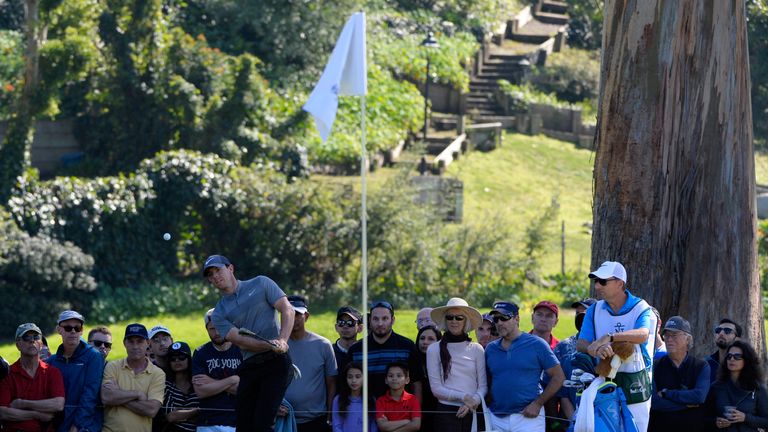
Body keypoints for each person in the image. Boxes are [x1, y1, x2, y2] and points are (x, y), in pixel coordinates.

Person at [205, 254, 294, 432]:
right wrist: (270, 344)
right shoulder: (218, 314)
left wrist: (283, 340)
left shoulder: (261, 283)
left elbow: (287, 309)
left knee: (262, 424)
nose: (215, 276)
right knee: (244, 425)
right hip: (250, 366)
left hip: (276, 364)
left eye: (218, 270)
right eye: (210, 274)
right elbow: (241, 341)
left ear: (230, 268)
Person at [577, 260, 654, 432]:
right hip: (603, 382)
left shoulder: (641, 307)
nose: (597, 286)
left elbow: (642, 334)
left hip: (635, 384)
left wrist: (610, 337)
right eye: (595, 281)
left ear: (620, 283)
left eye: (603, 281)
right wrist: (594, 348)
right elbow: (581, 343)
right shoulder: (594, 310)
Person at [486, 301, 564, 431]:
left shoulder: (537, 344)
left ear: (517, 318)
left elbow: (558, 377)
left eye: (504, 317)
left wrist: (538, 403)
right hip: (495, 417)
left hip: (528, 418)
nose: (499, 322)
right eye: (496, 318)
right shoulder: (491, 349)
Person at [427, 297, 487, 431]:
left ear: (465, 320)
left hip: (472, 410)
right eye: (450, 317)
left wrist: (471, 403)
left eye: (459, 318)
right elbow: (436, 388)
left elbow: (483, 386)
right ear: (445, 320)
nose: (454, 321)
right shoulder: (434, 349)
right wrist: (464, 397)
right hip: (445, 413)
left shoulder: (477, 349)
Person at [346, 301, 423, 401]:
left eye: (385, 318)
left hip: (400, 411)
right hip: (366, 411)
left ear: (393, 320)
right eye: (375, 319)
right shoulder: (356, 350)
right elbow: (347, 385)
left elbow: (416, 383)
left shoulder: (407, 347)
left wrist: (416, 413)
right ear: (370, 320)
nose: (380, 323)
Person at [282, 295, 337, 431]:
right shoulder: (277, 344)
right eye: (290, 313)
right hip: (284, 419)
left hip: (316, 421)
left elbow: (331, 383)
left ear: (306, 316)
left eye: (298, 314)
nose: (293, 319)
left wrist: (329, 416)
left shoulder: (323, 345)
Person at [47, 310, 105, 432]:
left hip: (85, 426)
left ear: (82, 330)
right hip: (58, 424)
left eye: (77, 327)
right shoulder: (51, 361)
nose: (73, 331)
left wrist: (78, 425)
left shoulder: (94, 356)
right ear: (59, 330)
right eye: (68, 328)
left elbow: (90, 393)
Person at [0, 323, 65, 432]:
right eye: (26, 338)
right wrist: (37, 414)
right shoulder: (8, 373)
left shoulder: (52, 372)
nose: (32, 341)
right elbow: (2, 412)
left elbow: (58, 404)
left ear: (41, 343)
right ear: (17, 344)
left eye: (36, 337)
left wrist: (22, 403)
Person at [649, 316, 710, 431]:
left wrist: (668, 394)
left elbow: (699, 397)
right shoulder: (655, 366)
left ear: (688, 339)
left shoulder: (701, 366)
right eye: (666, 335)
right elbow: (655, 403)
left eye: (674, 335)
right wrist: (687, 404)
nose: (669, 339)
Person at [101, 323, 165, 432]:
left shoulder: (158, 374)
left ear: (147, 343)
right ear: (124, 343)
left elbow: (151, 410)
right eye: (131, 342)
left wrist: (118, 395)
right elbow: (106, 397)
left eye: (139, 341)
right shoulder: (113, 366)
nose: (135, 346)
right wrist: (137, 394)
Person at [192, 308, 242, 432]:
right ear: (206, 329)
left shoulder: (241, 351)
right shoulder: (200, 352)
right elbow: (201, 391)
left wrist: (211, 381)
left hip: (237, 421)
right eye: (212, 329)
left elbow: (246, 389)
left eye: (219, 327)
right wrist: (233, 379)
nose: (217, 332)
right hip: (207, 423)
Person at [710, 340, 768, 431]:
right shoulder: (716, 387)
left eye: (737, 356)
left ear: (747, 360)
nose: (732, 359)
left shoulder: (758, 388)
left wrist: (745, 417)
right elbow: (704, 417)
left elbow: (766, 421)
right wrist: (715, 422)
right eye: (729, 356)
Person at [553, 299, 595, 423]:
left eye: (585, 314)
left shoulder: (607, 347)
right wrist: (575, 421)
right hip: (569, 419)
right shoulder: (563, 347)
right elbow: (561, 390)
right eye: (577, 313)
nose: (580, 318)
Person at [163, 342, 199, 432]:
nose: (177, 361)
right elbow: (170, 416)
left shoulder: (198, 383)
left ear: (189, 359)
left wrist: (180, 414)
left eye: (182, 357)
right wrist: (195, 412)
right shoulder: (165, 385)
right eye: (173, 358)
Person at [331, 362, 377, 432]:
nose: (354, 381)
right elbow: (336, 425)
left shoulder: (371, 399)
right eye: (350, 377)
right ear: (345, 378)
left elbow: (373, 425)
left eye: (358, 377)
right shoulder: (338, 399)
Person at [375, 362, 421, 432]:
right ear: (386, 380)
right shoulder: (380, 401)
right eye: (390, 376)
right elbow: (382, 426)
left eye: (399, 376)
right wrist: (406, 421)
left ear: (407, 380)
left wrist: (389, 425)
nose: (394, 378)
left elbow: (416, 425)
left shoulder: (413, 399)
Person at [416, 325, 441, 432]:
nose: (425, 342)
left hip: (440, 415)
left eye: (430, 339)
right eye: (422, 338)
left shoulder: (444, 364)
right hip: (416, 416)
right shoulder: (412, 362)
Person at [707, 319, 742, 383]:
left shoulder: (744, 366)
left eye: (727, 331)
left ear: (737, 339)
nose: (721, 333)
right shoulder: (706, 364)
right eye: (718, 330)